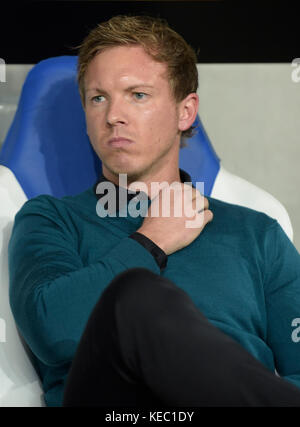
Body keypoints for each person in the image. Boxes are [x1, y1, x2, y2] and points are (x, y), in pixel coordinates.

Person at [8, 15, 300, 407]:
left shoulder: (257, 232)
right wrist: (152, 241)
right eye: (98, 98)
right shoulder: (49, 219)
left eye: (138, 95)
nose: (113, 115)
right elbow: (53, 330)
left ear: (185, 112)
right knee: (134, 298)